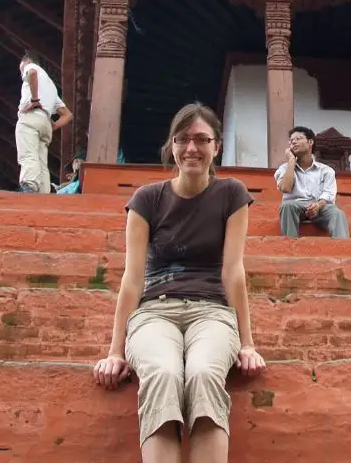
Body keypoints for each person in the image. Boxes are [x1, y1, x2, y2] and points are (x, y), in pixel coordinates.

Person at [92, 102, 265, 463]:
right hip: (154, 312)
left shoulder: (231, 194)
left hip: (212, 312)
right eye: (183, 139)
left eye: (202, 139)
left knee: (203, 373)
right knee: (163, 373)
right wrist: (115, 351)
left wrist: (247, 344)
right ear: (172, 145)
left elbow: (233, 271)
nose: (192, 148)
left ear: (216, 146)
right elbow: (133, 277)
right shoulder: (147, 199)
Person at [274, 127, 350, 238]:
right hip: (296, 206)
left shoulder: (326, 170)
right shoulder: (284, 169)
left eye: (298, 138)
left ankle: (343, 249)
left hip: (320, 206)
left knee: (338, 213)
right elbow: (285, 188)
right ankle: (290, 246)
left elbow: (329, 193)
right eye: (291, 141)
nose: (293, 142)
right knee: (287, 206)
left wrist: (318, 205)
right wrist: (291, 161)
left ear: (310, 142)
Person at [15, 50, 73, 193]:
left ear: (26, 61)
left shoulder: (31, 67)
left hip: (31, 117)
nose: (21, 72)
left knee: (29, 154)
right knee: (41, 161)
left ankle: (30, 185)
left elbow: (32, 74)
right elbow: (68, 115)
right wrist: (53, 125)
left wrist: (34, 100)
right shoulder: (51, 86)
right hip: (44, 122)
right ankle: (43, 192)